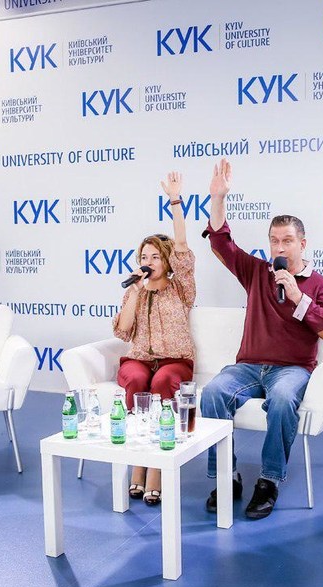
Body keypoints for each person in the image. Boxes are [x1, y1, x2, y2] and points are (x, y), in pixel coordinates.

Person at [201, 159, 323, 520]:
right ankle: (226, 476)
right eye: (274, 241)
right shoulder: (256, 272)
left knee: (281, 399)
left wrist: (297, 297)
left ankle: (269, 480)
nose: (280, 247)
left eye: (287, 241)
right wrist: (218, 198)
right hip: (248, 367)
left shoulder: (318, 284)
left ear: (302, 243)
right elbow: (221, 243)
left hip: (291, 370)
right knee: (213, 392)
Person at [112, 171, 196, 506]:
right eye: (144, 258)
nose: (148, 262)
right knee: (135, 379)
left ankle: (156, 470)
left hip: (175, 361)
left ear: (167, 260)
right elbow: (123, 331)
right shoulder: (136, 291)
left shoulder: (181, 287)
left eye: (155, 257)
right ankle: (138, 462)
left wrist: (175, 202)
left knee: (162, 382)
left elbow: (183, 248)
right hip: (140, 359)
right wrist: (134, 291)